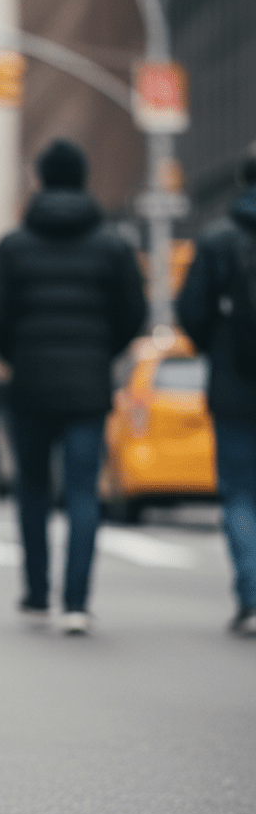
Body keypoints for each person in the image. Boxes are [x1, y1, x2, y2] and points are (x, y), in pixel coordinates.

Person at [0, 140, 146, 636]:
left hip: (29, 386)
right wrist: (101, 355)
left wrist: (17, 356)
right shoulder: (113, 246)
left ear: (41, 180)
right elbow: (132, 316)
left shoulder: (13, 245)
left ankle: (35, 594)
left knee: (32, 490)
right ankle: (76, 603)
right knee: (81, 494)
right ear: (83, 178)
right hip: (88, 389)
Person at [176, 147, 256, 637]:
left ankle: (251, 596)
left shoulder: (217, 240)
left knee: (240, 496)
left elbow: (190, 311)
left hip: (232, 388)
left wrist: (219, 348)